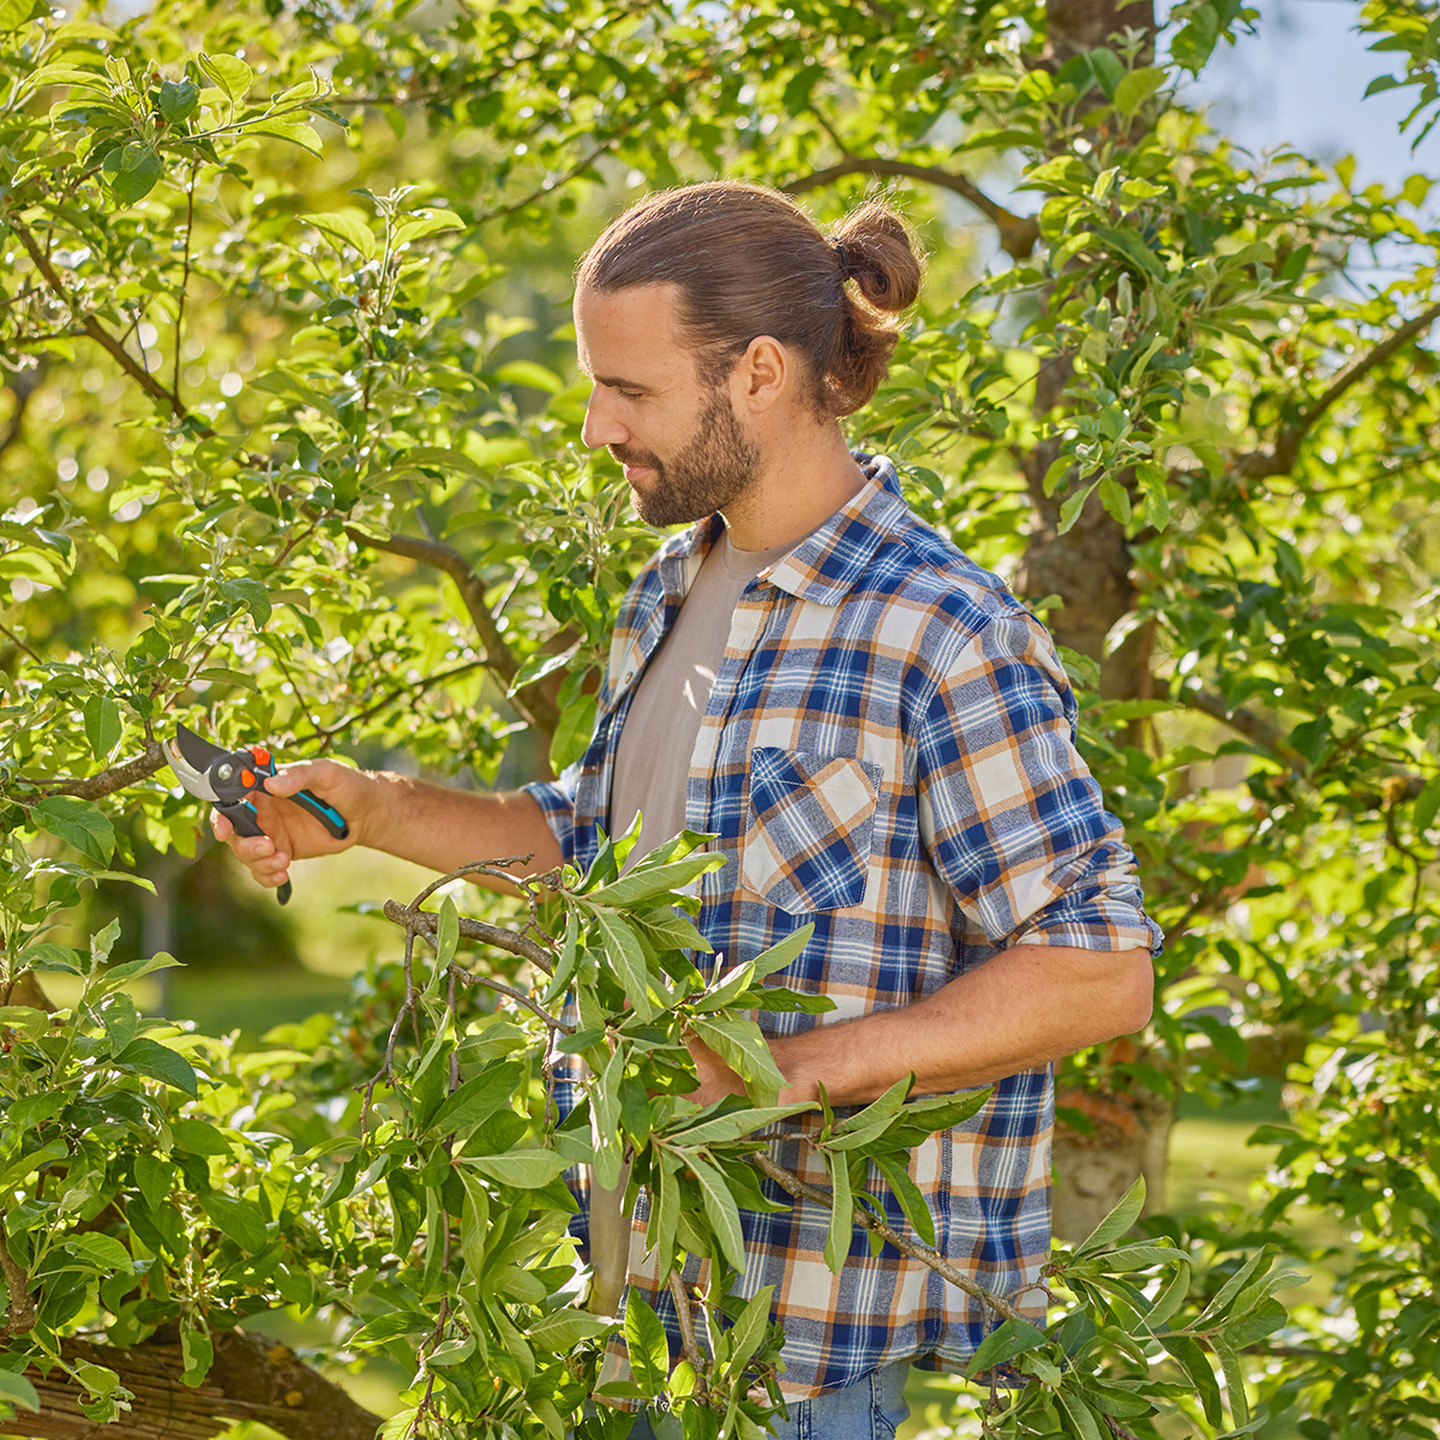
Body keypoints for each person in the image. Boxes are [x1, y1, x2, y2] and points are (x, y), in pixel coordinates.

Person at [216, 180, 1160, 1440]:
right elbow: (590, 850)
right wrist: (366, 808)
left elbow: (1100, 969)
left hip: (810, 1346)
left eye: (630, 389)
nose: (596, 427)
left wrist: (785, 1074)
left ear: (760, 373)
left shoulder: (939, 632)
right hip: (637, 1296)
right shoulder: (669, 588)